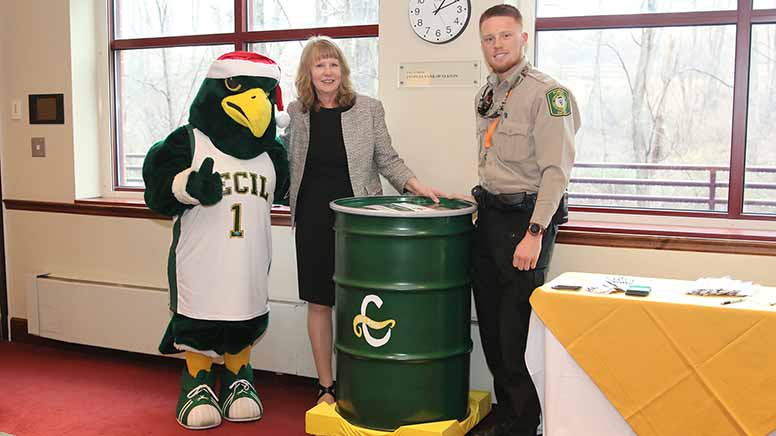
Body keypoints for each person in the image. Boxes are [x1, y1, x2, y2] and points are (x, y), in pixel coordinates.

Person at [283, 36, 444, 405]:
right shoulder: (296, 113)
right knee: (320, 302)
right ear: (308, 72)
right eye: (320, 64)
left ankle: (363, 381)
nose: (328, 71)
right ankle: (326, 385)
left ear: (343, 70)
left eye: (334, 64)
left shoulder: (368, 108)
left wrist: (415, 186)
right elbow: (282, 159)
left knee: (362, 300)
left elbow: (387, 159)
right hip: (311, 220)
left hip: (359, 223)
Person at [469, 5, 580, 436]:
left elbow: (556, 172)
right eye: (489, 39)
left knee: (516, 328)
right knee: (492, 326)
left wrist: (535, 233)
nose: (497, 45)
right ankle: (509, 414)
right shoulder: (489, 92)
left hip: (526, 223)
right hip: (491, 218)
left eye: (505, 36)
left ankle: (523, 423)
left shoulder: (548, 94)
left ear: (524, 38)